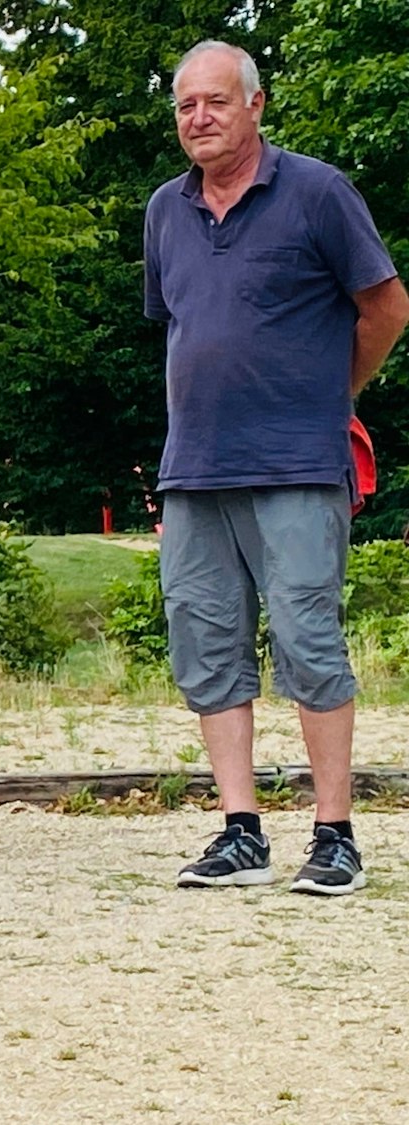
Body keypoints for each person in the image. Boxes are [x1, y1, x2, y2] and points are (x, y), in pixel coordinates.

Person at [147, 42, 409, 895]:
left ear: (256, 105)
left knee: (308, 640)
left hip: (297, 460)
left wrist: (333, 394)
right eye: (186, 105)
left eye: (216, 101)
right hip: (195, 465)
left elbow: (387, 306)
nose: (199, 118)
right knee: (206, 644)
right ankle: (241, 831)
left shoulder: (318, 192)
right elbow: (181, 326)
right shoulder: (165, 210)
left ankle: (335, 835)